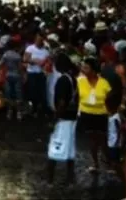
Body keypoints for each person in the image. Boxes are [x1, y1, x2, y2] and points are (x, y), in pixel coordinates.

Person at [46, 53, 77, 184]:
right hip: (72, 119)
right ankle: (70, 177)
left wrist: (55, 119)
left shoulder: (62, 80)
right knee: (70, 149)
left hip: (63, 119)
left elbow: (62, 103)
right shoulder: (73, 79)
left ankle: (50, 179)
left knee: (54, 148)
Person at [77, 57, 112, 174]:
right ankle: (95, 163)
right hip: (86, 114)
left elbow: (109, 98)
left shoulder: (104, 83)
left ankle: (109, 163)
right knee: (92, 140)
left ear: (93, 70)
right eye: (83, 67)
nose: (83, 70)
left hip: (101, 114)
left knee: (103, 140)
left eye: (86, 68)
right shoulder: (80, 81)